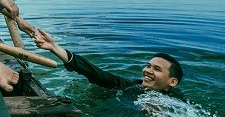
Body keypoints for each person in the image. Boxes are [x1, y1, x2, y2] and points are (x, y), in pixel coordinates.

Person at [33, 29, 183, 94]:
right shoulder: (128, 86)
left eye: (157, 69)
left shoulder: (180, 104)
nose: (147, 70)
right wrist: (54, 47)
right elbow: (97, 74)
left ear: (173, 82)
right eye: (148, 66)